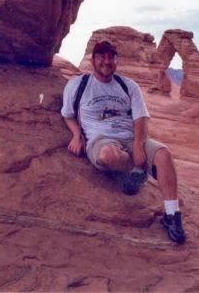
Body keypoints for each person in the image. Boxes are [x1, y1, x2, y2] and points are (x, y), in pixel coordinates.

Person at [61, 40, 186, 244]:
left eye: (111, 57)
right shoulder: (78, 85)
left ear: (116, 61)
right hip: (100, 139)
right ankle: (133, 173)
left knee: (163, 155)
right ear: (93, 60)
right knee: (107, 156)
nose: (106, 61)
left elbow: (141, 118)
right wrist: (76, 135)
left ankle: (172, 215)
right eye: (101, 57)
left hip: (130, 137)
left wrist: (138, 145)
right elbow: (68, 115)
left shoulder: (128, 85)